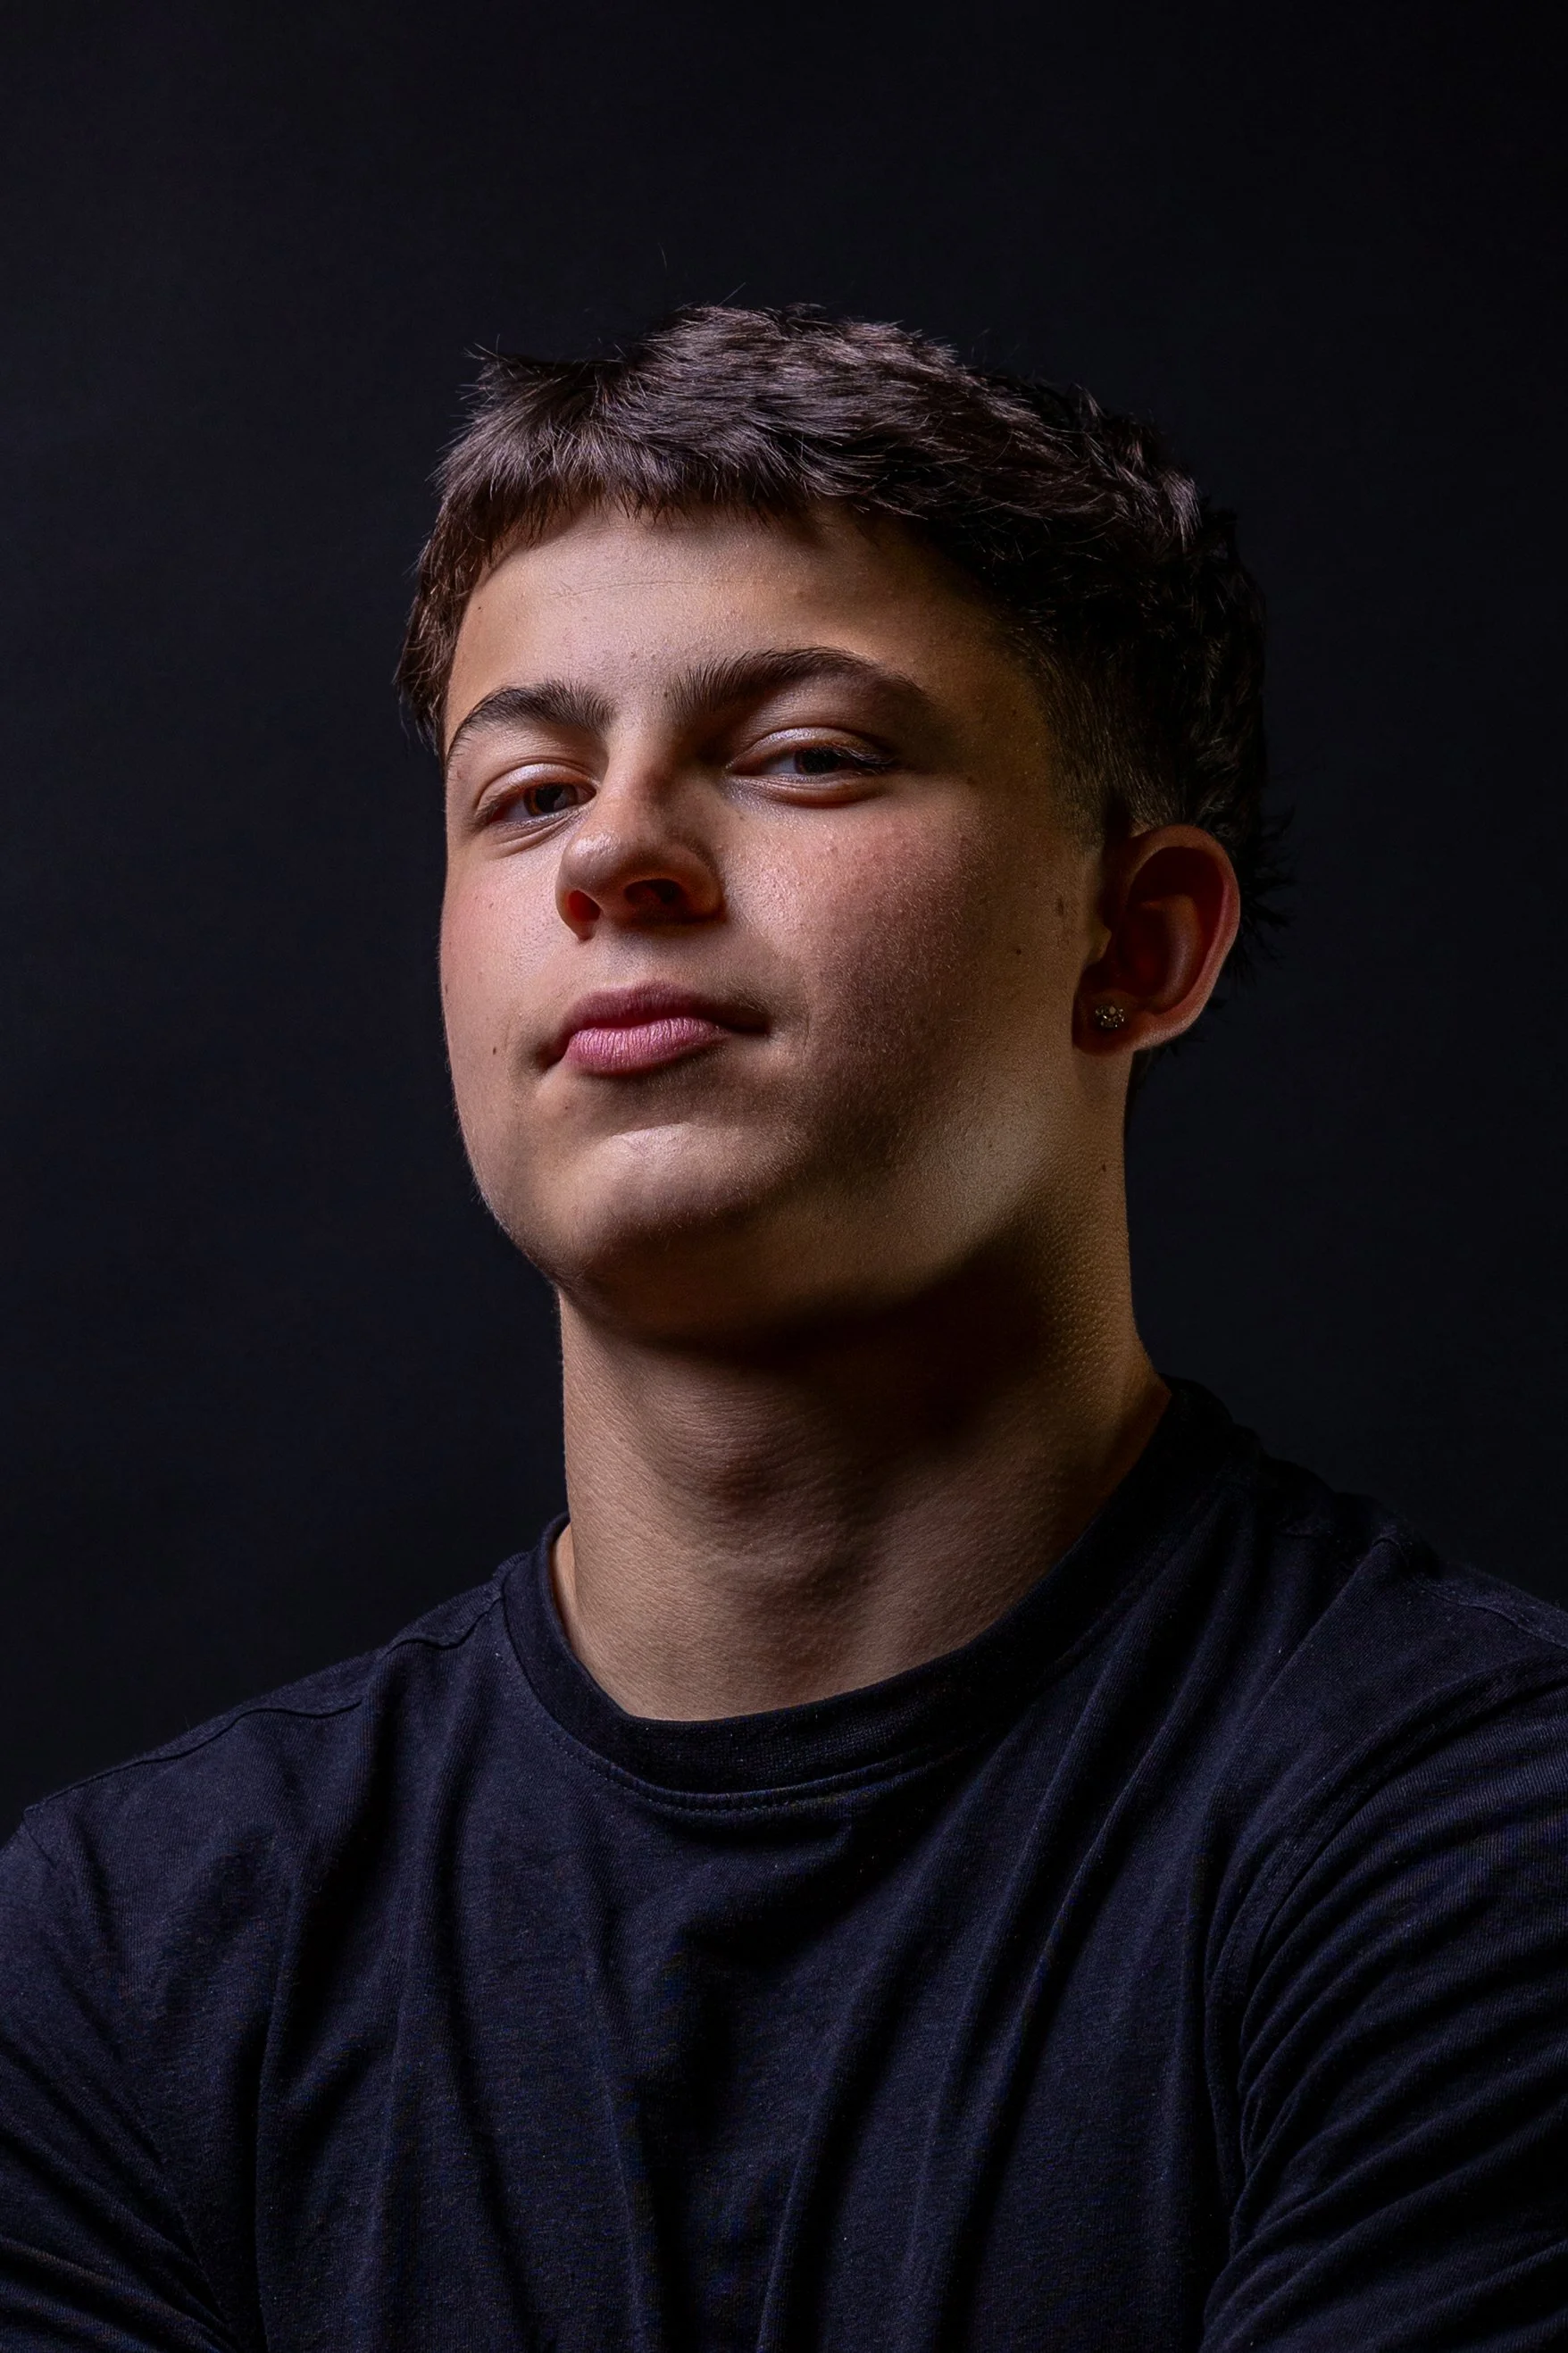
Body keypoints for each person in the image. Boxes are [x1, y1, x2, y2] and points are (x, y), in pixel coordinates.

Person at [2, 305, 1564, 2353]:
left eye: (802, 754)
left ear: (1137, 941)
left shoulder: (1482, 1840)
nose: (612, 856)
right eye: (525, 790)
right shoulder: (119, 1956)